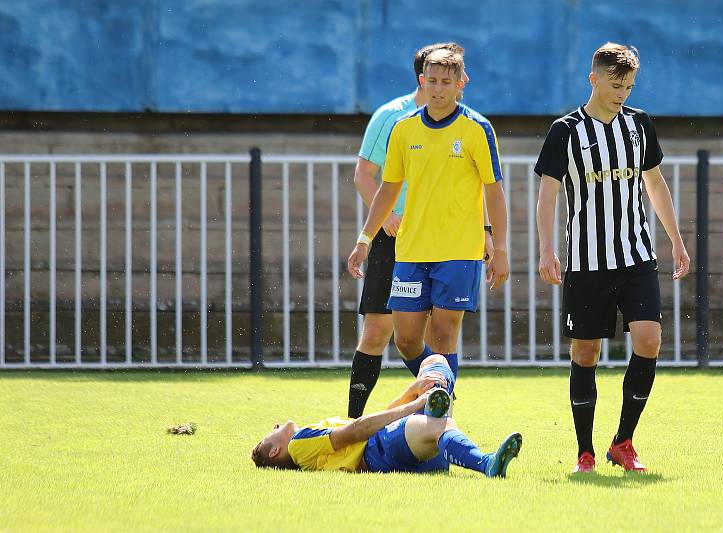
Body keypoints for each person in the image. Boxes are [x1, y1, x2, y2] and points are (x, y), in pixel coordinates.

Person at [535, 42, 690, 474]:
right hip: (586, 260)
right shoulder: (566, 130)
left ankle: (623, 441)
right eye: (616, 84)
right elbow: (548, 192)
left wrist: (675, 239)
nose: (623, 93)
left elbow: (655, 183)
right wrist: (547, 249)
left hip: (636, 254)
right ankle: (585, 451)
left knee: (648, 339)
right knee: (586, 352)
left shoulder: (639, 125)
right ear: (594, 78)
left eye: (629, 86)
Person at [347, 49, 509, 391]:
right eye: (432, 80)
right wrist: (365, 239)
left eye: (446, 82)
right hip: (410, 250)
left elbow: (494, 191)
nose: (438, 88)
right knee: (406, 340)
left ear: (460, 85)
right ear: (422, 80)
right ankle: (439, 391)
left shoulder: (478, 128)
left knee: (443, 335)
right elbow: (387, 189)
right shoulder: (403, 129)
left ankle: (441, 418)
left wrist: (501, 246)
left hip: (458, 252)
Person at [252, 355, 522, 477]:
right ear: (275, 451)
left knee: (434, 362)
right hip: (379, 453)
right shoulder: (298, 443)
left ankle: (435, 402)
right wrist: (412, 405)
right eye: (269, 434)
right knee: (438, 424)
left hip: (404, 451)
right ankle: (487, 463)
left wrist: (414, 391)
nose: (274, 426)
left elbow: (373, 420)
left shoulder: (308, 445)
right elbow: (358, 430)